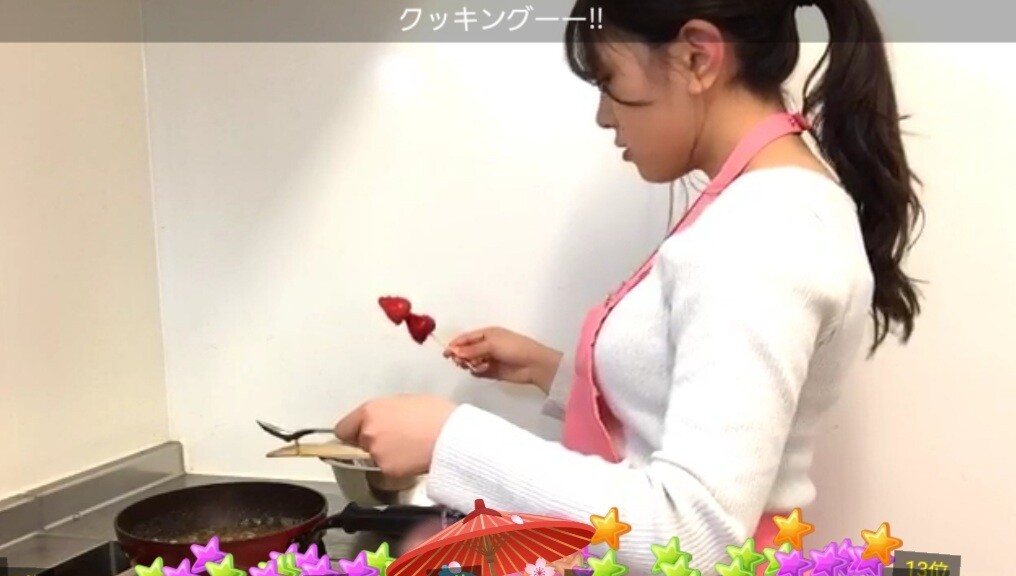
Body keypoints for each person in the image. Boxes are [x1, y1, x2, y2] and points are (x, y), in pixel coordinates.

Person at [334, 0, 923, 571]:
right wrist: (550, 370)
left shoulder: (761, 232)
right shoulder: (771, 207)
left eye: (609, 80)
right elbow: (681, 408)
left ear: (697, 57)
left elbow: (694, 535)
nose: (604, 116)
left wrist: (448, 438)